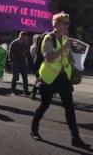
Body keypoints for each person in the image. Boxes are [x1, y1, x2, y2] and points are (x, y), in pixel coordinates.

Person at [31, 12, 90, 148]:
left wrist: (77, 62)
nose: (67, 26)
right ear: (56, 24)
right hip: (49, 79)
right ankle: (34, 129)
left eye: (68, 23)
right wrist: (64, 47)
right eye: (65, 23)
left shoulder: (64, 38)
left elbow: (66, 57)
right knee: (44, 106)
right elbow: (49, 58)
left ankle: (76, 138)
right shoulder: (48, 38)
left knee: (70, 108)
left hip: (63, 79)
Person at [30, 34, 40, 100]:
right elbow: (34, 57)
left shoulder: (38, 47)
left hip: (39, 65)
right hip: (36, 65)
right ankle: (33, 93)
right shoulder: (34, 47)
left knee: (39, 80)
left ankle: (35, 92)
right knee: (38, 80)